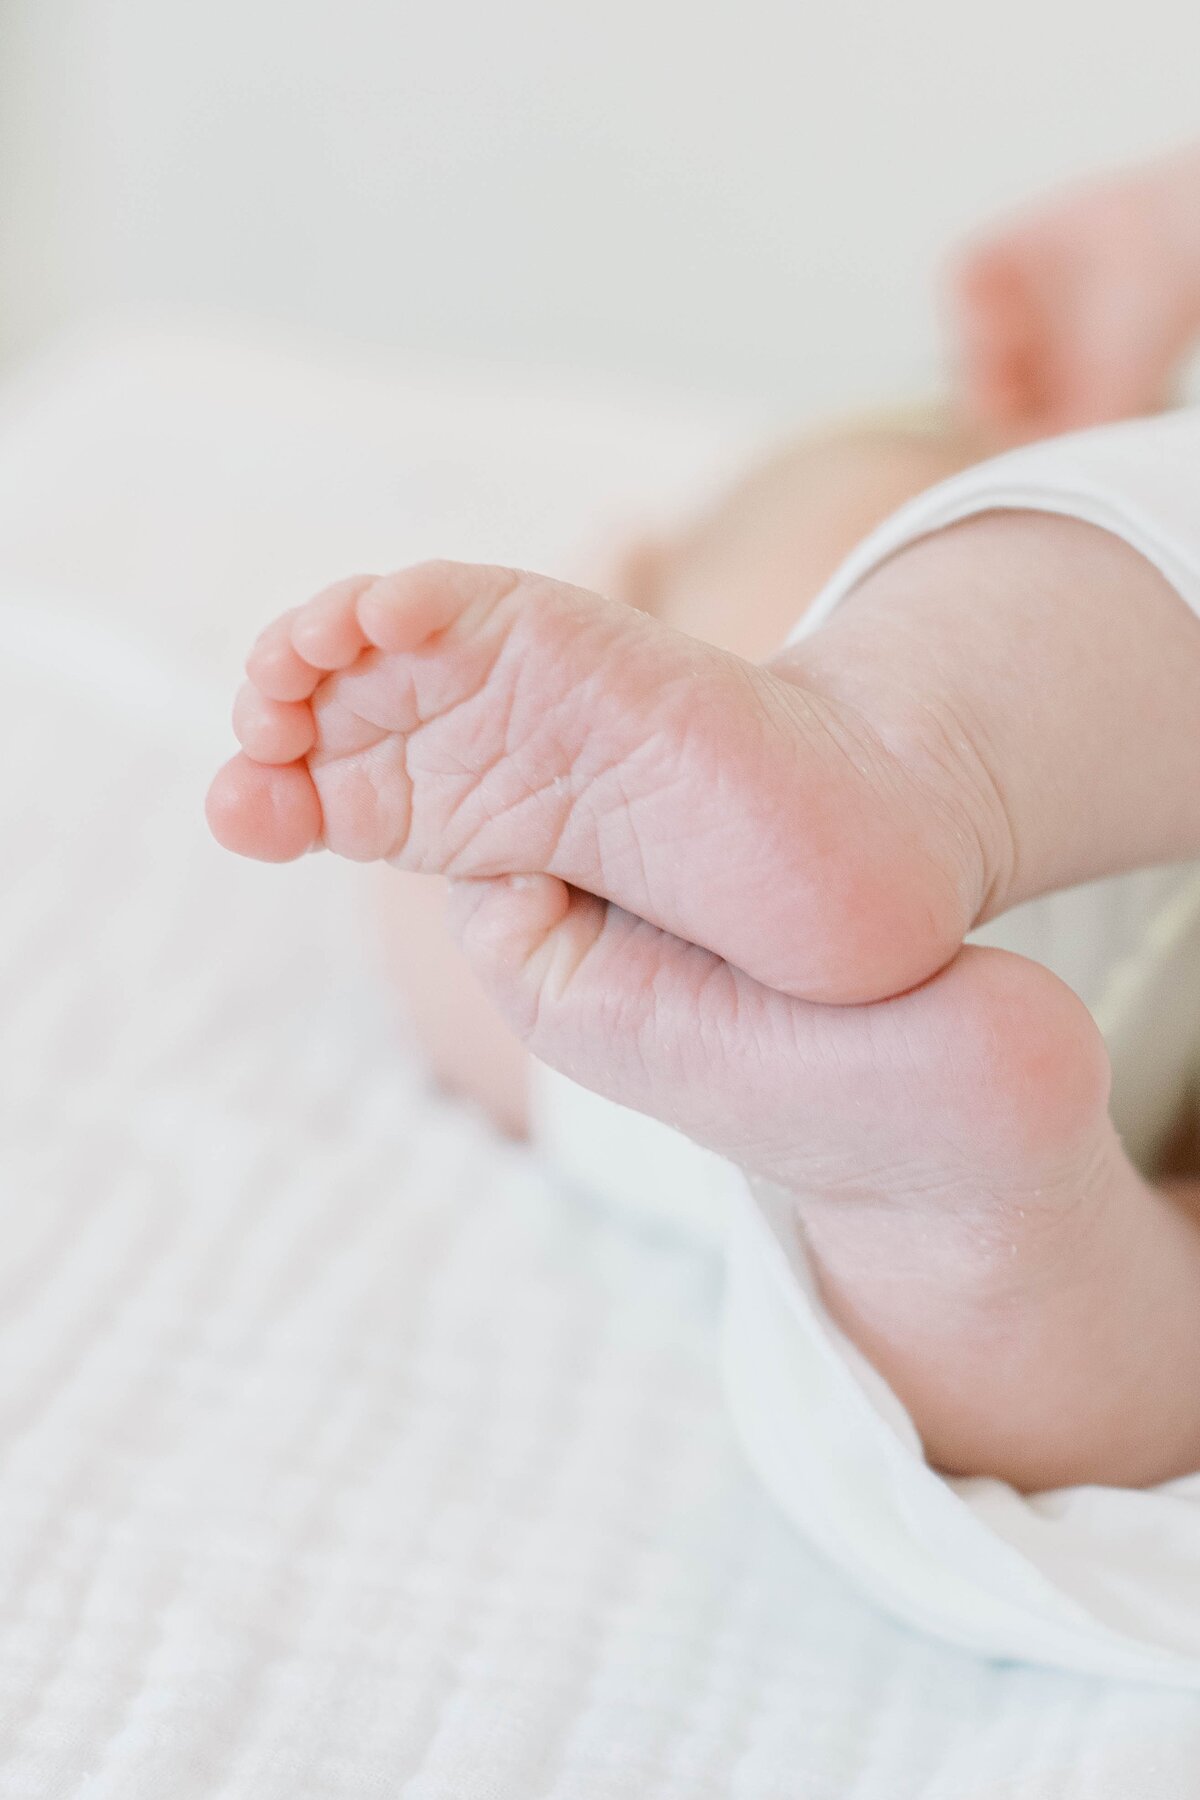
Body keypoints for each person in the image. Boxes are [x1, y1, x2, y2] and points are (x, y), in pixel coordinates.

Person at [206, 141, 1200, 1499]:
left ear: (621, 576)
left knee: (550, 1000)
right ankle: (964, 1173)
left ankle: (957, 1175)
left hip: (724, 1064)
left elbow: (449, 951)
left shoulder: (563, 979)